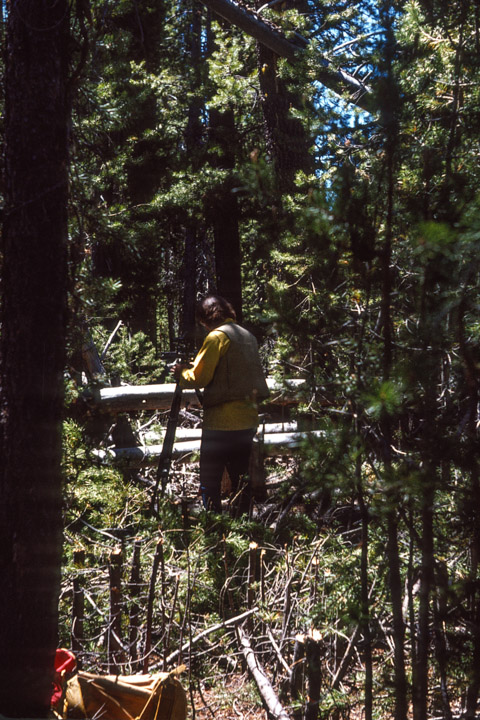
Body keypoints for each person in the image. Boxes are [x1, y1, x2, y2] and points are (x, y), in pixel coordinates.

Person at [174, 295, 269, 514]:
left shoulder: (216, 338)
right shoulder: (248, 336)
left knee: (210, 478)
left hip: (220, 423)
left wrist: (181, 372)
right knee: (240, 477)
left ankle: (213, 526)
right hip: (247, 419)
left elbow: (198, 378)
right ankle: (242, 525)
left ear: (206, 318)